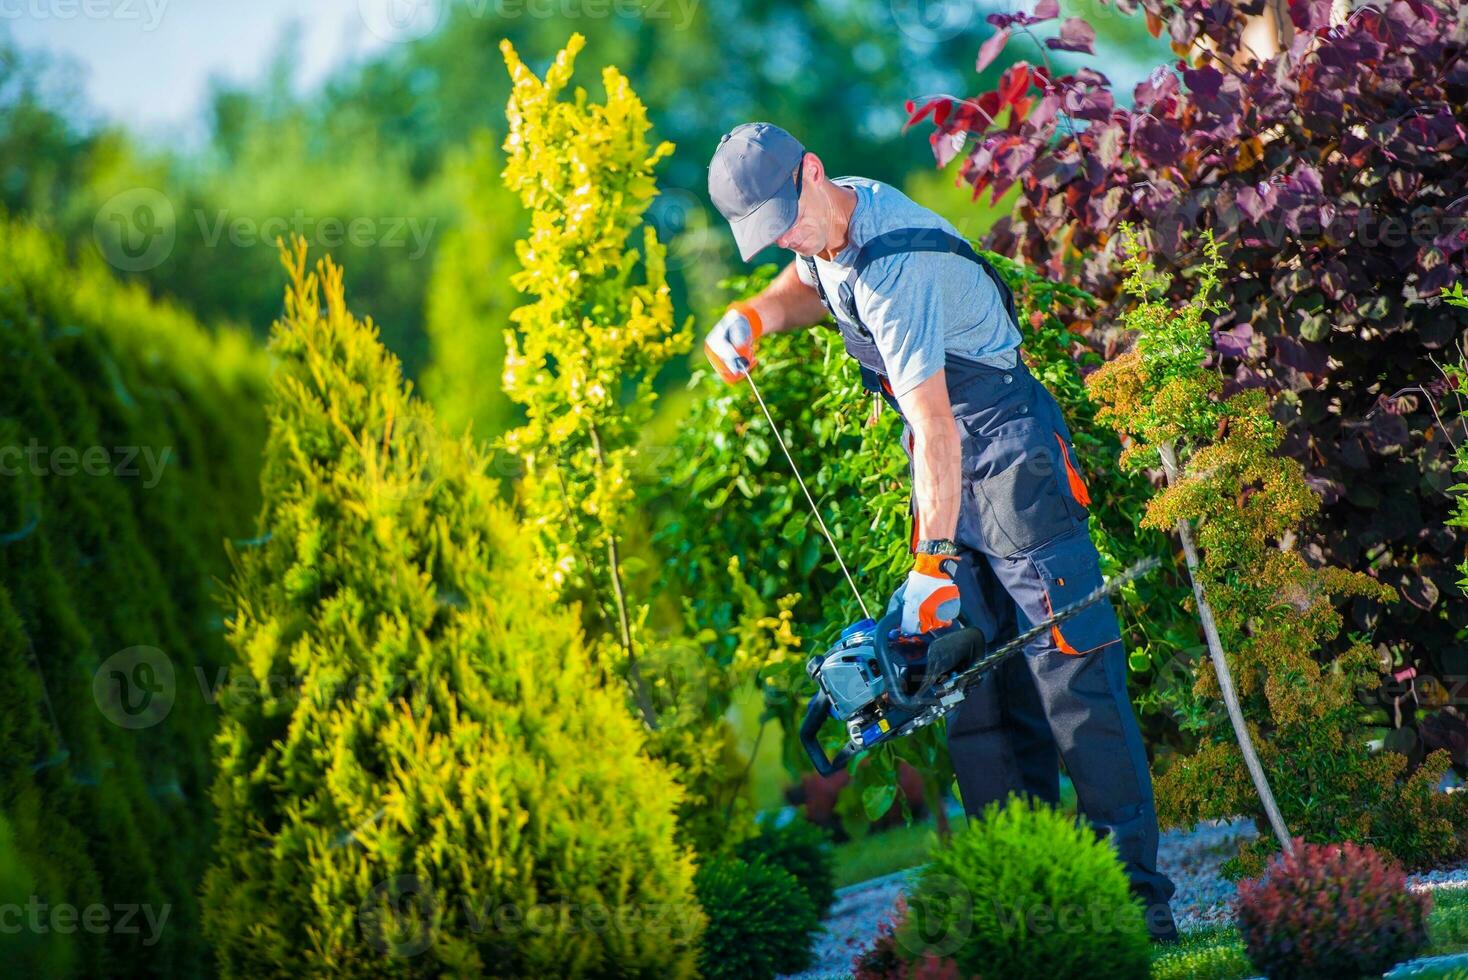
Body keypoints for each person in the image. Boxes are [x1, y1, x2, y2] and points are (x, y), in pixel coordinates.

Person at [704, 121, 1180, 943]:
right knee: (976, 700)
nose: (789, 235)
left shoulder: (897, 269)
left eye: (790, 215)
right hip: (955, 473)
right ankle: (1028, 910)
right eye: (771, 231)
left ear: (814, 170)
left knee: (1075, 689)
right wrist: (752, 315)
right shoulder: (825, 232)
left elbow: (933, 428)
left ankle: (1137, 912)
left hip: (1010, 458)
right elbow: (806, 283)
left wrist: (932, 563)